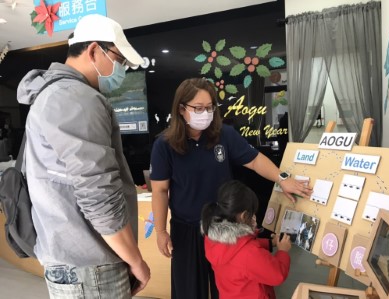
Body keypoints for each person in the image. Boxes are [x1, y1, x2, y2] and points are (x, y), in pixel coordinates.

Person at [16, 14, 150, 299]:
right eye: (119, 60)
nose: (122, 70)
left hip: (72, 262)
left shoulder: (50, 95)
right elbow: (99, 195)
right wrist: (136, 260)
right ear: (93, 51)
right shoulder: (76, 98)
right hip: (91, 267)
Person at [149, 77, 312, 299]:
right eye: (198, 108)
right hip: (186, 228)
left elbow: (254, 160)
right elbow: (160, 191)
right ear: (181, 108)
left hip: (224, 229)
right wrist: (160, 231)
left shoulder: (223, 134)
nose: (205, 113)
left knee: (229, 289)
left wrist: (282, 178)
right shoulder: (164, 145)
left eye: (209, 107)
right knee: (188, 290)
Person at [201, 180, 292, 299]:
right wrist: (283, 252)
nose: (254, 217)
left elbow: (240, 246)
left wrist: (270, 243)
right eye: (252, 213)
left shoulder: (212, 238)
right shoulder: (249, 254)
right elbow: (278, 275)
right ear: (244, 216)